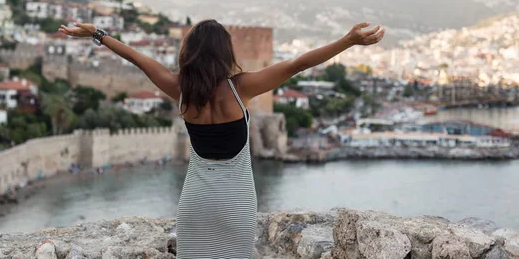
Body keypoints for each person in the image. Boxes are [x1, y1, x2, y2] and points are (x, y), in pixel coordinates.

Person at [58, 19, 385, 259]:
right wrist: (348, 40)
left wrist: (96, 34)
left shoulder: (180, 90)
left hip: (194, 205)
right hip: (236, 207)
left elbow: (138, 59)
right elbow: (298, 63)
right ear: (224, 53)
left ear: (189, 52)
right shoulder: (240, 89)